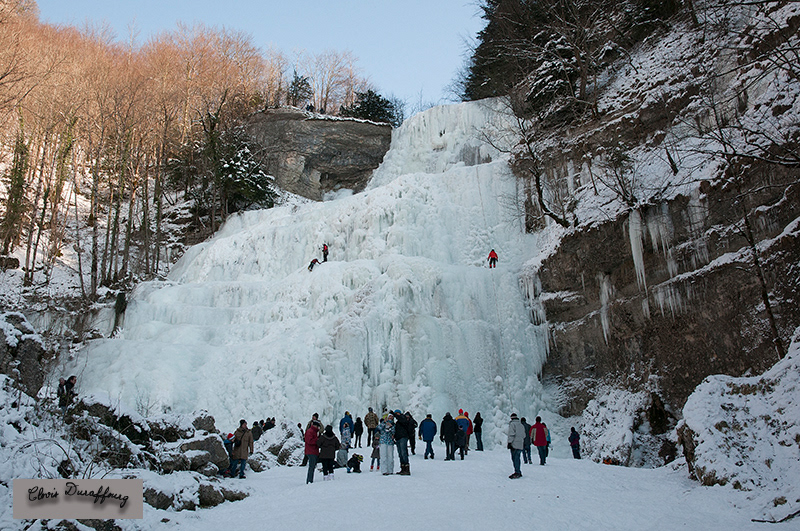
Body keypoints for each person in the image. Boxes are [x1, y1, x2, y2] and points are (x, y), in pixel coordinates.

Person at [393, 409, 412, 475]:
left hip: (403, 437)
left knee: (404, 452)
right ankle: (403, 468)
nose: (397, 414)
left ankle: (407, 469)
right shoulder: (398, 422)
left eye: (398, 413)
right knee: (400, 453)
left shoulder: (404, 418)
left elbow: (402, 420)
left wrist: (395, 415)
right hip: (398, 438)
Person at [507, 413, 525, 479]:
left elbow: (511, 434)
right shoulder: (521, 425)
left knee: (515, 458)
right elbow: (524, 435)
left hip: (514, 444)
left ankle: (517, 472)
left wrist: (509, 443)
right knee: (518, 458)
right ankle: (518, 471)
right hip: (520, 444)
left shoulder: (512, 424)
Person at [304, 419, 320, 484]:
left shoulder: (314, 431)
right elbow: (309, 441)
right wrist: (317, 440)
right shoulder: (310, 431)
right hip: (311, 451)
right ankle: (309, 481)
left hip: (313, 451)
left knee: (312, 467)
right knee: (311, 467)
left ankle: (310, 480)